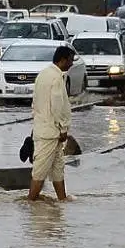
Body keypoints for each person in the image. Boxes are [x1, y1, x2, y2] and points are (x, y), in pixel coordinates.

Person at [27, 45, 75, 202]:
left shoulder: (43, 74)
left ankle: (62, 200)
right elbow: (57, 106)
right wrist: (63, 128)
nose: (72, 64)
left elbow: (34, 103)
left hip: (46, 130)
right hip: (51, 133)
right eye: (71, 60)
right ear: (63, 60)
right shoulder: (56, 78)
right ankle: (30, 203)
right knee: (40, 171)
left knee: (57, 169)